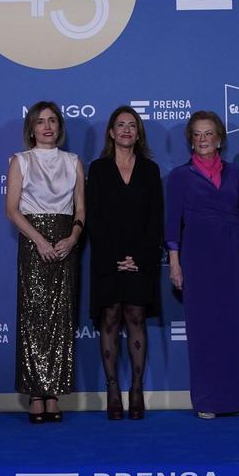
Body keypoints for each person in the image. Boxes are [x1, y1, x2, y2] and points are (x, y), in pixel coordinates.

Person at [165, 110, 239, 419]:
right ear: (191, 140)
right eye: (197, 134)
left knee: (234, 328)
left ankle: (236, 399)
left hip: (231, 253)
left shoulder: (235, 173)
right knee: (204, 329)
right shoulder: (179, 176)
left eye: (209, 133)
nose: (203, 139)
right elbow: (172, 224)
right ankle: (208, 401)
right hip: (197, 256)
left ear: (219, 139)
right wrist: (174, 263)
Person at [6, 101, 85, 424]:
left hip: (67, 242)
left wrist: (73, 238)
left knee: (61, 318)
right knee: (33, 316)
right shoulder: (20, 161)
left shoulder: (74, 162)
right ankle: (35, 394)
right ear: (32, 128)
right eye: (40, 122)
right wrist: (38, 239)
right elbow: (12, 208)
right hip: (33, 242)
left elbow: (80, 210)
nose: (47, 127)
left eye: (52, 120)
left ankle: (53, 393)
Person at [87, 106, 163, 421]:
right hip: (108, 258)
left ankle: (136, 390)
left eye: (132, 125)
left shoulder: (150, 169)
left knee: (135, 317)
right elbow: (93, 218)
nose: (127, 130)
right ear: (111, 132)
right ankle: (113, 390)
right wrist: (114, 260)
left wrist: (140, 259)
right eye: (121, 125)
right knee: (109, 318)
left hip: (140, 259)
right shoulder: (99, 168)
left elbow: (155, 219)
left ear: (138, 132)